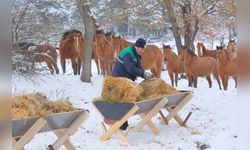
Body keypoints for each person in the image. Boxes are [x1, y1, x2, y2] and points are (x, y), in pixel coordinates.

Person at [112, 38, 153, 130]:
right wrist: (143, 74)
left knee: (127, 100)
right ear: (137, 47)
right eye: (141, 49)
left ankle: (123, 124)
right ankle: (122, 125)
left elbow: (138, 66)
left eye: (143, 49)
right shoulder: (128, 54)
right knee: (122, 101)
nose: (142, 51)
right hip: (119, 78)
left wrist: (145, 75)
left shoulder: (136, 53)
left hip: (127, 78)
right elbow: (130, 68)